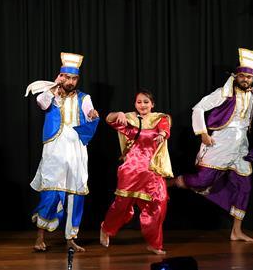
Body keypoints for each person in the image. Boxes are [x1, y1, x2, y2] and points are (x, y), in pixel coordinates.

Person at [173, 48, 253, 242]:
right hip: (220, 144)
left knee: (245, 188)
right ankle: (168, 183)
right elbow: (198, 108)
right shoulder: (223, 93)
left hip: (240, 149)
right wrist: (203, 133)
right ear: (236, 76)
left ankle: (236, 231)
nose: (245, 80)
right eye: (242, 76)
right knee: (201, 181)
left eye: (249, 77)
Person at [28, 52, 99, 252]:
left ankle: (71, 238)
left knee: (75, 193)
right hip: (54, 149)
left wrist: (93, 116)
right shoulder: (50, 94)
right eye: (66, 77)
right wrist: (53, 85)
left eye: (73, 78)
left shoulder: (85, 98)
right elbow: (41, 103)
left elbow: (91, 115)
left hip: (76, 148)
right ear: (60, 76)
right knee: (50, 192)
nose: (70, 81)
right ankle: (40, 236)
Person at [99, 90, 173, 255]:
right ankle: (106, 228)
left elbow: (165, 129)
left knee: (159, 204)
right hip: (131, 170)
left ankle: (154, 243)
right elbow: (109, 120)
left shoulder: (160, 118)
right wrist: (117, 113)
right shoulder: (130, 120)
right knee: (121, 205)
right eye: (139, 102)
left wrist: (162, 134)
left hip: (152, 170)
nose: (143, 105)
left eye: (146, 102)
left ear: (152, 104)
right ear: (135, 104)